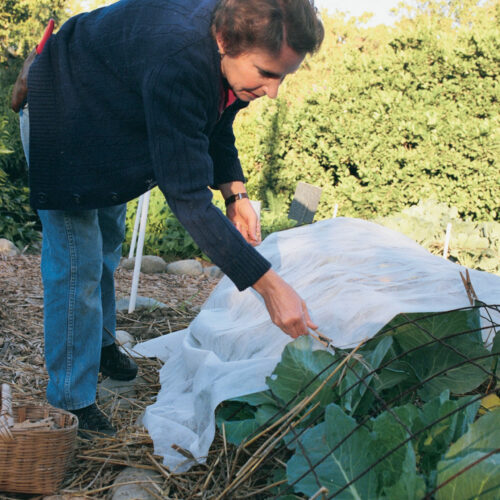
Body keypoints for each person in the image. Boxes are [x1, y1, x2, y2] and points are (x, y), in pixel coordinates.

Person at [15, 0, 324, 436]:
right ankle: (71, 402)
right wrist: (270, 287)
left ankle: (99, 345)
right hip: (62, 109)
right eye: (267, 74)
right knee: (76, 262)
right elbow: (188, 199)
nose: (273, 92)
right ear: (223, 41)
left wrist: (235, 191)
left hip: (106, 115)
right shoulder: (180, 59)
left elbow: (214, 120)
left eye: (283, 76)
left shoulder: (232, 50)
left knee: (106, 242)